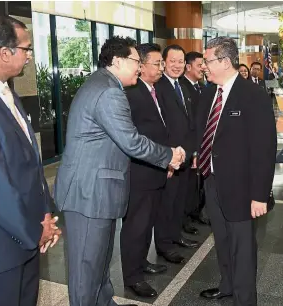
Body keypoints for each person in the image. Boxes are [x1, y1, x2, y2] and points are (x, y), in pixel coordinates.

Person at [53, 36, 185, 306]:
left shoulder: (104, 84)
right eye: (137, 61)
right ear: (117, 61)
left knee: (99, 264)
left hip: (96, 191)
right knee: (86, 271)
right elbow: (131, 141)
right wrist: (169, 155)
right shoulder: (109, 92)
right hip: (89, 193)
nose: (139, 67)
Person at [0, 14, 61, 306]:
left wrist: (45, 214)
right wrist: (35, 231)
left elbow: (28, 163)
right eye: (26, 48)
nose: (30, 56)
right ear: (4, 53)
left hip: (25, 237)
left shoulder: (3, 90)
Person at [197, 37, 276, 305]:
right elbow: (202, 132)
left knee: (243, 250)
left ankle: (245, 299)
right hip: (212, 182)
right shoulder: (208, 93)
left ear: (224, 62)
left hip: (243, 189)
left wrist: (259, 195)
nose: (203, 66)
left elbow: (264, 149)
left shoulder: (253, 96)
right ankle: (227, 285)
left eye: (207, 61)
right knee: (221, 241)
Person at [120, 43, 171, 298]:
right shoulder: (130, 93)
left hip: (156, 168)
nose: (161, 67)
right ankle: (132, 276)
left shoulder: (155, 90)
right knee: (135, 226)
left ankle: (141, 262)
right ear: (141, 66)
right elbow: (133, 137)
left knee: (148, 222)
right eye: (157, 63)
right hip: (139, 172)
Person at [154, 44, 199, 265]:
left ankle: (175, 236)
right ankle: (164, 245)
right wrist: (169, 158)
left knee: (179, 201)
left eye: (181, 61)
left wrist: (191, 152)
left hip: (185, 155)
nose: (177, 65)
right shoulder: (159, 87)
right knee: (167, 203)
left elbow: (191, 123)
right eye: (172, 61)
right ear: (163, 63)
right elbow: (161, 128)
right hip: (169, 158)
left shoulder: (183, 86)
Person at [179, 51, 209, 232]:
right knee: (185, 188)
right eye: (199, 65)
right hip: (186, 148)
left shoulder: (200, 87)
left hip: (199, 145)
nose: (203, 68)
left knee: (194, 186)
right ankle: (184, 220)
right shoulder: (182, 87)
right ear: (188, 67)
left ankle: (193, 214)